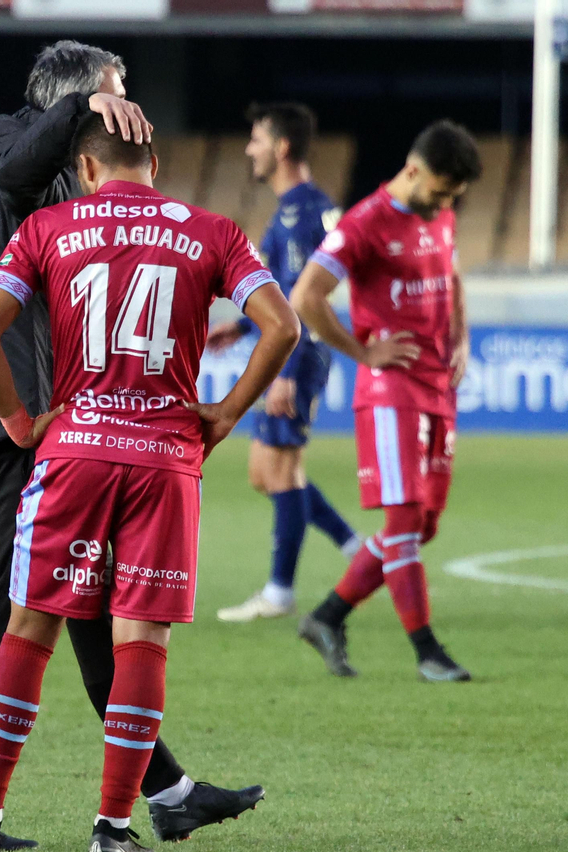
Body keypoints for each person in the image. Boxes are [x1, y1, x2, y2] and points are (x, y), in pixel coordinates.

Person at [0, 40, 263, 852]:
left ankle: (166, 792)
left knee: (88, 617)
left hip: (67, 432)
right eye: (119, 90)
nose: (131, 103)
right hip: (39, 430)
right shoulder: (11, 143)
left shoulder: (76, 181)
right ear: (77, 102)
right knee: (2, 617)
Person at [289, 120, 481, 683]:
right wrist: (362, 354)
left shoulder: (437, 213)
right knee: (402, 519)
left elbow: (452, 275)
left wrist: (462, 337)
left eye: (453, 198)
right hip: (391, 391)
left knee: (422, 526)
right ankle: (427, 651)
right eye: (441, 192)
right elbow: (306, 296)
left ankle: (326, 617)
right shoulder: (364, 223)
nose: (445, 205)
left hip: (437, 387)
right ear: (414, 169)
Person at [212, 102, 362, 623]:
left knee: (282, 470)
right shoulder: (304, 207)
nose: (249, 149)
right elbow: (283, 296)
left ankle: (280, 591)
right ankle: (355, 549)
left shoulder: (298, 216)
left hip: (297, 358)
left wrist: (283, 373)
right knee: (267, 472)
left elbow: (300, 305)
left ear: (280, 148)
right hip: (296, 353)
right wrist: (245, 326)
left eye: (256, 140)